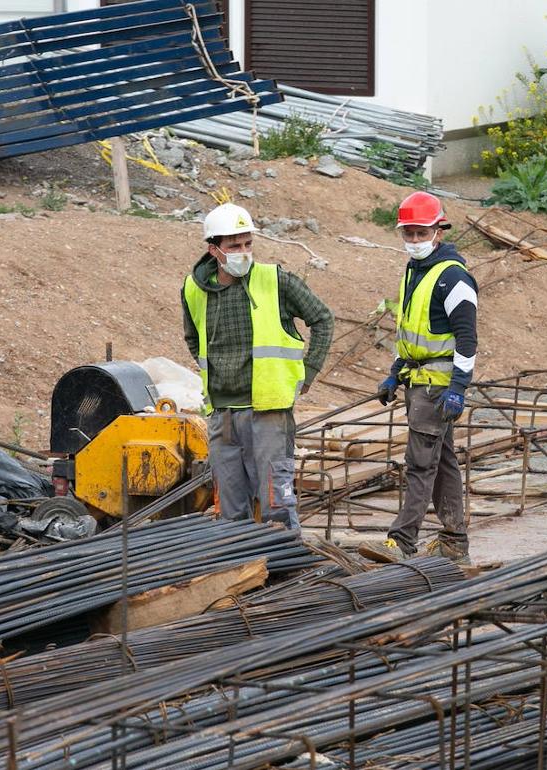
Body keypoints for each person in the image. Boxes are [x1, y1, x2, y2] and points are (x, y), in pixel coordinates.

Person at [182, 202, 333, 529]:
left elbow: (322, 318)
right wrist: (218, 372)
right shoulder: (193, 290)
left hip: (268, 412)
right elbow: (193, 339)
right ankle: (243, 570)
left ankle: (288, 568)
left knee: (276, 504)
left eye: (248, 243)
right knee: (231, 512)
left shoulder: (275, 280)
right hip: (222, 415)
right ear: (213, 249)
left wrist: (309, 371)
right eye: (234, 245)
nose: (244, 252)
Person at [359, 191, 478, 565]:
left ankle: (402, 540)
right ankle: (454, 540)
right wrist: (395, 373)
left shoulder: (453, 279)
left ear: (438, 232)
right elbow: (408, 331)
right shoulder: (415, 271)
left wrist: (458, 388)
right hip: (417, 380)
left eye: (420, 233)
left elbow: (467, 339)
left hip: (437, 386)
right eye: (408, 234)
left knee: (420, 463)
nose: (414, 241)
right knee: (442, 461)